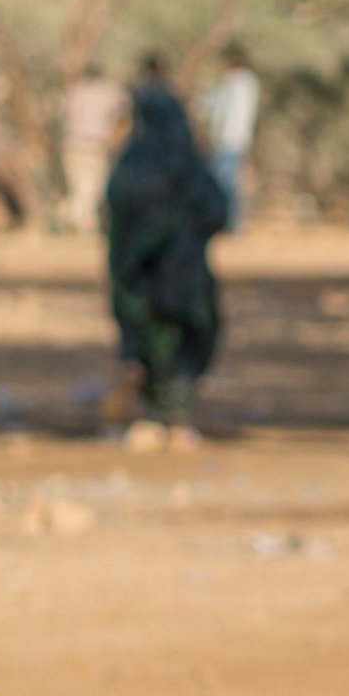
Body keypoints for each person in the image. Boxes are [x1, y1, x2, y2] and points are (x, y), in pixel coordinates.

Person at [99, 74, 227, 445]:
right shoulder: (189, 166)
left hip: (141, 278)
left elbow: (113, 221)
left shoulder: (129, 169)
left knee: (149, 341)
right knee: (186, 340)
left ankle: (156, 413)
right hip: (186, 277)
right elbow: (218, 210)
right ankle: (178, 416)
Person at [196, 41, 264, 226]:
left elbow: (210, 107)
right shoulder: (250, 83)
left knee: (223, 182)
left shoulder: (232, 83)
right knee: (231, 182)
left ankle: (226, 222)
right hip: (240, 139)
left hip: (227, 140)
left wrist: (204, 91)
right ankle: (232, 223)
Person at [57, 70, 128, 235]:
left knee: (80, 187)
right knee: (92, 188)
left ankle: (71, 219)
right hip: (96, 145)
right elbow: (126, 105)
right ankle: (82, 225)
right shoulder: (109, 92)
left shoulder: (75, 91)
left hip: (73, 143)